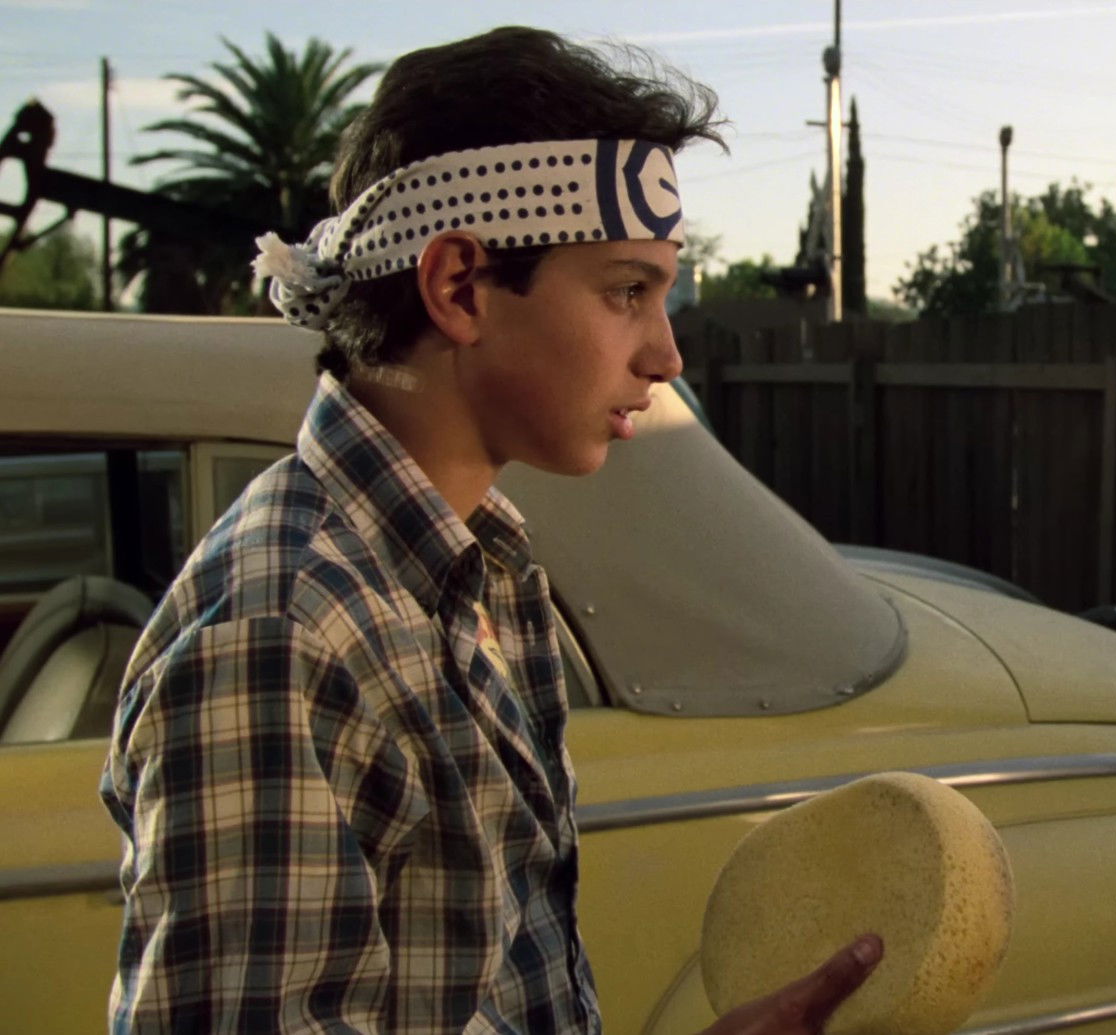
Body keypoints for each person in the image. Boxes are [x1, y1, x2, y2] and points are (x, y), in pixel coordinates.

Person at [99, 27, 877, 1034]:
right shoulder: (285, 636)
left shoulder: (481, 568)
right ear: (459, 287)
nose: (666, 354)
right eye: (626, 291)